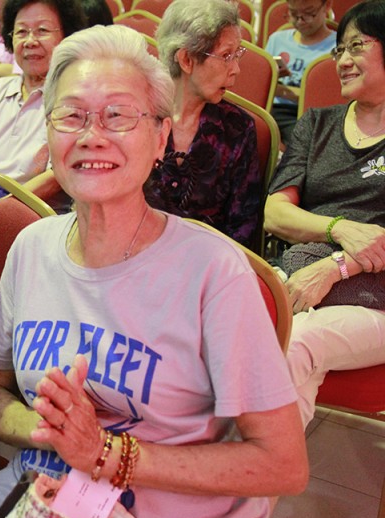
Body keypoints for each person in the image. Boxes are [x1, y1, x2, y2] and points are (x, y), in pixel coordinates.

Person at [0, 24, 308, 518]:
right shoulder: (31, 247)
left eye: (118, 115)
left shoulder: (214, 272)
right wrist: (51, 429)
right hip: (43, 500)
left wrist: (103, 452)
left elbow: (283, 464)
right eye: (71, 115)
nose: (92, 135)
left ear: (160, 136)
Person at [264, 0, 385, 430]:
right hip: (304, 272)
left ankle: (259, 465)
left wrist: (336, 267)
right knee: (221, 315)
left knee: (295, 342)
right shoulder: (317, 124)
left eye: (357, 46)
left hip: (376, 296)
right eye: (339, 50)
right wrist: (341, 228)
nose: (343, 61)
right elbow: (276, 213)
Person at [143, 0, 262, 250]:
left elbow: (243, 230)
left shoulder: (237, 129)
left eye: (237, 55)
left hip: (210, 264)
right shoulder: (140, 117)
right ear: (186, 59)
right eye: (226, 56)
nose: (236, 69)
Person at [0, 0, 86, 210]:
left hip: (37, 209)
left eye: (42, 30)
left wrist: (3, 208)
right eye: (21, 32)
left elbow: (55, 176)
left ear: (67, 36)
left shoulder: (75, 97)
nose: (30, 41)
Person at [265, 0, 336, 146]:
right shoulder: (277, 39)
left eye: (309, 14)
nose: (300, 21)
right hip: (275, 111)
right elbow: (260, 85)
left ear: (327, 6)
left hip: (313, 116)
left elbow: (331, 98)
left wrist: (283, 91)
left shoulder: (337, 46)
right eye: (293, 14)